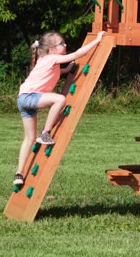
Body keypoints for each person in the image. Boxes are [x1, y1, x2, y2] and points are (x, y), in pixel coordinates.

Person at [14, 30, 106, 187]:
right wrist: (97, 41)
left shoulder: (44, 60)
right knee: (60, 99)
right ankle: (45, 134)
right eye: (62, 44)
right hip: (30, 97)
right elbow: (77, 54)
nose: (65, 45)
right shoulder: (53, 58)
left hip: (22, 98)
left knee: (28, 139)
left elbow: (56, 72)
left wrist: (67, 69)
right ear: (51, 50)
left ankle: (19, 173)